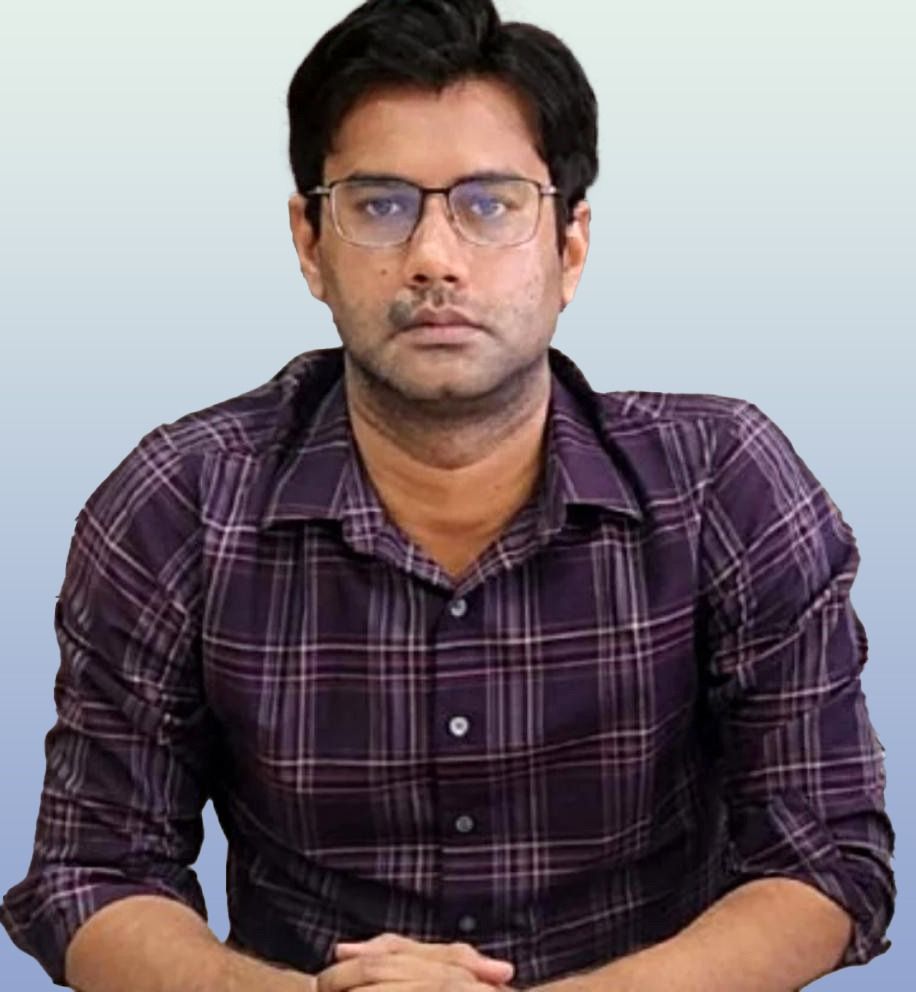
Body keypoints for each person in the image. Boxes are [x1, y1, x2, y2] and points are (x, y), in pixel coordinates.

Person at [1, 1, 895, 989]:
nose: (433, 256)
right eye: (380, 204)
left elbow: (824, 861)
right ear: (310, 242)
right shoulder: (179, 504)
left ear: (571, 246)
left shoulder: (724, 483)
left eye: (491, 203)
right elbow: (93, 873)